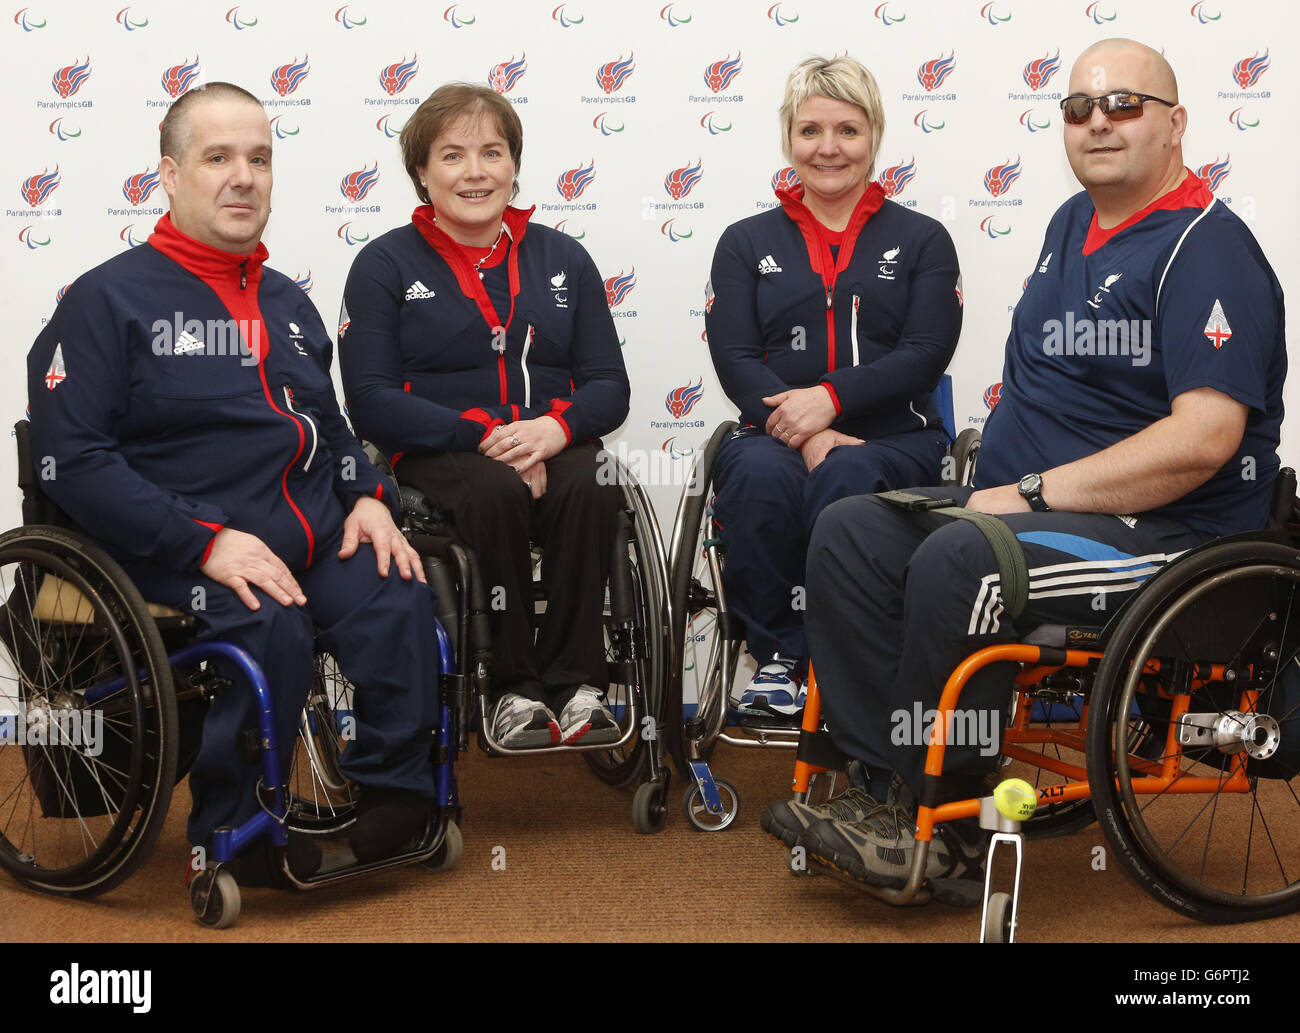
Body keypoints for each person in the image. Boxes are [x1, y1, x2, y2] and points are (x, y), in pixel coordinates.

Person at [771, 38, 1287, 901]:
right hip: (1017, 505)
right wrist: (1000, 491)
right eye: (1079, 109)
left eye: (1124, 104)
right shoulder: (1069, 224)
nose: (1098, 123)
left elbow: (1204, 438)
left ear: (1176, 124)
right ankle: (878, 785)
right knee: (851, 527)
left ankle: (947, 822)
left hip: (1166, 535)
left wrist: (1032, 493)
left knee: (961, 559)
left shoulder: (1208, 250)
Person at [27, 82, 443, 870]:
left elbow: (330, 425)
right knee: (267, 619)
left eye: (259, 158)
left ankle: (392, 796)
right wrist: (204, 541)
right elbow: (71, 458)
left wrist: (367, 495)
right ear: (171, 175)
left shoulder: (287, 302)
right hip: (170, 537)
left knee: (394, 586)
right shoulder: (106, 300)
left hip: (306, 528)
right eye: (218, 157)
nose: (243, 176)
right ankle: (235, 832)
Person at [339, 82, 630, 749]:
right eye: (452, 155)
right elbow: (372, 400)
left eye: (492, 152)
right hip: (444, 446)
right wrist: (488, 437)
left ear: (513, 164)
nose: (475, 172)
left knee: (593, 480)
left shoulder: (564, 258)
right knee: (494, 489)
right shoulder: (382, 265)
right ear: (422, 172)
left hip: (550, 438)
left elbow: (609, 386)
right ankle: (512, 687)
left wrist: (554, 430)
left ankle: (578, 686)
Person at [705, 56, 962, 717]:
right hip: (774, 433)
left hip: (897, 439)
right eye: (811, 130)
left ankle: (845, 665)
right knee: (759, 477)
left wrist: (833, 402)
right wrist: (810, 429)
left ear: (874, 136)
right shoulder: (744, 242)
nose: (828, 148)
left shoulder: (923, 240)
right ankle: (779, 659)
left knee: (848, 476)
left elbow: (926, 354)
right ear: (788, 137)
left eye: (847, 130)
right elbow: (735, 359)